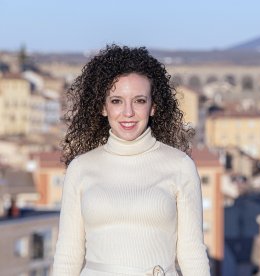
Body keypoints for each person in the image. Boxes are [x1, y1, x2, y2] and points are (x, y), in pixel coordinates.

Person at [53, 44, 210, 276]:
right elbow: (68, 255)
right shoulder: (81, 168)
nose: (128, 112)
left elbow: (192, 253)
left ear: (154, 106)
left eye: (139, 101)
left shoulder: (180, 165)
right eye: (116, 101)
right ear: (103, 107)